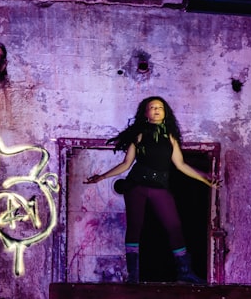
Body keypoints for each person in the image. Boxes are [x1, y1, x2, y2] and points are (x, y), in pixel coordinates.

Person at [84, 96, 218, 284]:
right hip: (137, 185)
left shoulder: (170, 137)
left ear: (165, 112)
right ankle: (133, 276)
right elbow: (126, 164)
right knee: (135, 227)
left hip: (159, 187)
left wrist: (204, 177)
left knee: (174, 226)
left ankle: (184, 272)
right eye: (152, 107)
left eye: (159, 107)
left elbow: (180, 165)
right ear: (145, 113)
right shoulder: (139, 135)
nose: (156, 110)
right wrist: (102, 177)